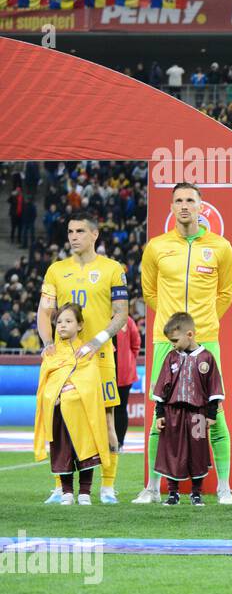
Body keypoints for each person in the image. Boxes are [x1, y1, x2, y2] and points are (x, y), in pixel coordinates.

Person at [134, 185, 232, 505]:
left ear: (201, 206)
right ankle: (151, 488)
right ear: (171, 206)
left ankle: (223, 489)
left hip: (206, 338)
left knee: (214, 414)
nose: (184, 206)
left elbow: (226, 295)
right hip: (165, 342)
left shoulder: (221, 247)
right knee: (159, 416)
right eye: (178, 201)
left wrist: (198, 328)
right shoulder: (156, 247)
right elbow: (149, 292)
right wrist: (174, 330)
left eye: (190, 200)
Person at [37, 215, 129, 504]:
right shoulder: (56, 270)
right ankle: (59, 486)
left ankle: (108, 487)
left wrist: (95, 341)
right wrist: (48, 343)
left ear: (94, 235)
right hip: (63, 360)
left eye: (80, 231)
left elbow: (121, 314)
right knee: (57, 418)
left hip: (100, 357)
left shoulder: (113, 269)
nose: (73, 236)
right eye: (70, 231)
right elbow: (44, 312)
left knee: (107, 421)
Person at [34, 303, 111, 505]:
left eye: (68, 321)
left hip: (83, 411)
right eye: (59, 322)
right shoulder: (51, 353)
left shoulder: (87, 351)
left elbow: (91, 383)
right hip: (58, 411)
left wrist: (76, 394)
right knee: (62, 451)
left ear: (79, 325)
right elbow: (45, 385)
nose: (62, 326)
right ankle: (66, 492)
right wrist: (54, 396)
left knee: (86, 451)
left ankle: (85, 492)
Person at [151, 311, 226, 507]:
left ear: (190, 335)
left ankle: (196, 494)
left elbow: (214, 388)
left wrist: (211, 414)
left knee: (198, 453)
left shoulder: (207, 358)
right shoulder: (170, 358)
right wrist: (160, 414)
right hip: (172, 414)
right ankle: (173, 494)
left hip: (198, 415)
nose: (172, 344)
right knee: (172, 452)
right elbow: (162, 387)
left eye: (175, 340)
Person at [113, 309, 141, 454]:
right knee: (104, 410)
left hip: (124, 375)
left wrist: (128, 362)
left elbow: (136, 344)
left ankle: (119, 442)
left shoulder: (127, 320)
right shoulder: (101, 318)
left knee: (120, 409)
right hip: (105, 374)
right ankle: (106, 441)